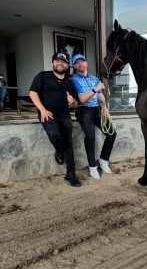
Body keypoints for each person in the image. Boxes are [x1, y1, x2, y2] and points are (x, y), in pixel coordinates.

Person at [29, 52, 81, 187]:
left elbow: (76, 104)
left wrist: (72, 101)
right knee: (55, 136)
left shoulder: (69, 82)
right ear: (53, 62)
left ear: (67, 65)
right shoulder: (43, 76)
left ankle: (71, 173)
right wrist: (42, 110)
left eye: (63, 62)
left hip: (64, 114)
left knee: (69, 144)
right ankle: (59, 150)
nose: (60, 63)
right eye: (57, 61)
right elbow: (33, 93)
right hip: (48, 113)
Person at [71, 54, 116, 179]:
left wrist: (104, 105)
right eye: (77, 62)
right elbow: (82, 99)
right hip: (83, 110)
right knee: (90, 137)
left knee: (112, 133)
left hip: (96, 110)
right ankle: (92, 166)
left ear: (86, 63)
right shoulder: (73, 80)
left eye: (82, 61)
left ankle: (103, 160)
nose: (80, 64)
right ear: (74, 66)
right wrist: (96, 89)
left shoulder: (94, 79)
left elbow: (101, 96)